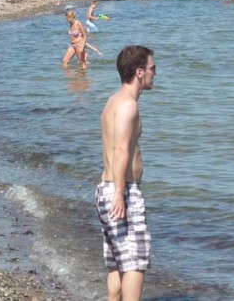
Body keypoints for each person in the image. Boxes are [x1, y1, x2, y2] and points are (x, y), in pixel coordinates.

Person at [96, 45, 156, 301]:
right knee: (135, 263)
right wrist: (120, 194)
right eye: (153, 68)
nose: (156, 73)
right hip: (120, 191)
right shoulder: (128, 106)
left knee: (117, 265)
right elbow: (121, 150)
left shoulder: (113, 101)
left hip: (105, 188)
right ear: (139, 72)